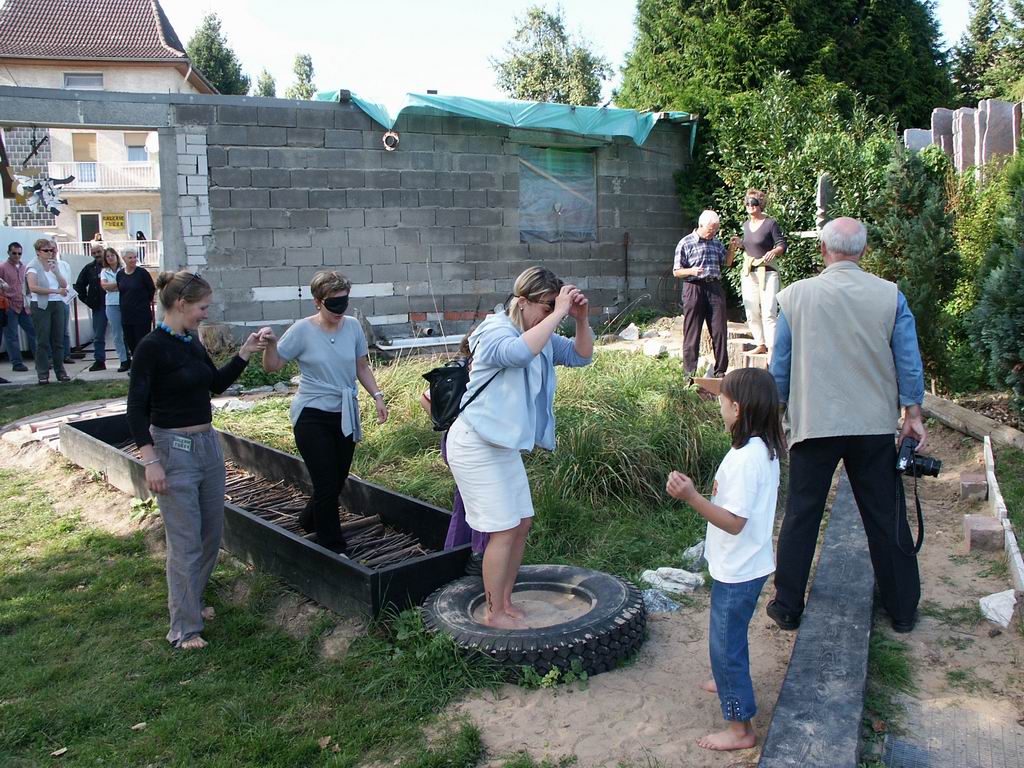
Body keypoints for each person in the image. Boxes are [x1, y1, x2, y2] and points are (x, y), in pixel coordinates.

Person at [767, 217, 927, 634]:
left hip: (813, 423)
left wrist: (774, 419)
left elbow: (779, 368)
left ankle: (787, 605)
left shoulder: (795, 297)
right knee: (885, 515)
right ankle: (903, 608)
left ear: (823, 250)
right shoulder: (889, 296)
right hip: (872, 424)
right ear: (863, 252)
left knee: (802, 514)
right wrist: (913, 414)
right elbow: (908, 360)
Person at [446, 267, 593, 629]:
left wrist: (580, 318)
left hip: (503, 446)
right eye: (546, 306)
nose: (550, 314)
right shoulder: (494, 330)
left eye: (553, 307)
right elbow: (515, 354)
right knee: (503, 529)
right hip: (475, 443)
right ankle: (495, 613)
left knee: (521, 522)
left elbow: (582, 355)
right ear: (523, 301)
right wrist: (558, 313)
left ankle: (506, 602)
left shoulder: (538, 330)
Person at [128, 270, 267, 649]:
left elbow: (215, 385)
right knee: (185, 541)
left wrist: (245, 353)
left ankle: (193, 600)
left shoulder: (190, 341)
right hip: (172, 450)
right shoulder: (151, 348)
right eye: (202, 307)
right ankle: (183, 628)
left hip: (207, 445)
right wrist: (150, 460)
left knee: (210, 533)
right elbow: (136, 408)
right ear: (181, 304)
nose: (206, 314)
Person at [666, 367, 785, 752]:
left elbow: (734, 522)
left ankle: (740, 728)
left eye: (722, 398)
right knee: (729, 637)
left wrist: (692, 498)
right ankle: (727, 677)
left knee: (724, 645)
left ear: (736, 407)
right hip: (745, 563)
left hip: (739, 567)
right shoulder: (761, 448)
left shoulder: (746, 460)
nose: (718, 403)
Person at [259, 271, 389, 553]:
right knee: (326, 481)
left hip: (344, 412)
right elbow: (273, 365)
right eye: (333, 304)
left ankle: (309, 520)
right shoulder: (302, 330)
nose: (339, 310)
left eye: (344, 302)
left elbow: (361, 366)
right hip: (312, 414)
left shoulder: (352, 327)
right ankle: (333, 546)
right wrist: (270, 345)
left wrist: (377, 396)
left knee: (338, 478)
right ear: (317, 301)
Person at [418, 334, 489, 571]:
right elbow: (426, 399)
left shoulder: (456, 367)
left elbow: (425, 398)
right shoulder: (466, 371)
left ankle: (454, 554)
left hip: (453, 442)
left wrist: (446, 422)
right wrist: (454, 423)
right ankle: (480, 554)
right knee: (480, 501)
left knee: (464, 500)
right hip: (466, 443)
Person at [673, 210, 736, 378]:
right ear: (701, 225)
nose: (713, 233)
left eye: (715, 230)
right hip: (693, 287)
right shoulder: (685, 243)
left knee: (719, 330)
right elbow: (676, 271)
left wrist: (732, 248)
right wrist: (691, 270)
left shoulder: (716, 243)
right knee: (692, 332)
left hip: (714, 287)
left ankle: (721, 371)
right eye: (711, 230)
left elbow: (727, 263)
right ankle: (689, 374)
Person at [736, 189, 786, 357]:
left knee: (769, 312)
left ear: (760, 205)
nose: (750, 206)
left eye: (754, 203)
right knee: (751, 311)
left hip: (768, 272)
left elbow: (781, 244)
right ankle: (760, 343)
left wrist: (775, 251)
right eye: (747, 203)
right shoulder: (745, 225)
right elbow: (750, 246)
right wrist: (740, 244)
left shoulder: (770, 224)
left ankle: (772, 348)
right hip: (750, 272)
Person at [25, 239, 70, 384]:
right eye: (46, 250)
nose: (50, 253)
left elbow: (64, 284)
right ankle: (43, 373)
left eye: (51, 250)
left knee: (58, 340)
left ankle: (60, 371)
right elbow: (33, 287)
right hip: (41, 305)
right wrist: (55, 290)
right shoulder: (33, 267)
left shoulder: (54, 264)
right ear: (38, 252)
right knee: (43, 340)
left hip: (57, 303)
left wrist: (56, 271)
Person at [0, 241, 36, 373]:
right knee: (12, 335)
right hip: (10, 305)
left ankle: (41, 360)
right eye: (14, 253)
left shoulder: (24, 267)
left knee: (33, 332)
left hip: (23, 305)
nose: (16, 256)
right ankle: (17, 363)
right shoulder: (2, 267)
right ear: (8, 252)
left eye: (19, 253)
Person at [117, 248, 155, 362]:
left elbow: (151, 289)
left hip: (141, 313)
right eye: (130, 258)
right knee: (130, 341)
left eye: (134, 257)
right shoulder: (120, 274)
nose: (133, 260)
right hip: (127, 315)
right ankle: (135, 364)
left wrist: (143, 302)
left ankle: (145, 365)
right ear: (124, 259)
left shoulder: (142, 273)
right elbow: (121, 291)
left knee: (142, 342)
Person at [74, 243, 108, 371]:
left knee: (121, 334)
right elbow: (79, 286)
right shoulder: (89, 268)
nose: (97, 255)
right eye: (94, 253)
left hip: (116, 305)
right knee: (98, 335)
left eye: (99, 252)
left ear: (103, 251)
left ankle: (126, 360)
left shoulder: (113, 266)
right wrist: (87, 300)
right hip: (99, 306)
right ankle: (99, 360)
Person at [99, 248, 130, 372]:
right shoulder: (104, 271)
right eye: (108, 256)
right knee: (117, 333)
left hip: (125, 302)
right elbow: (105, 286)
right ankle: (123, 360)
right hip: (112, 304)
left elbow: (126, 284)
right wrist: (118, 284)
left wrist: (116, 285)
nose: (110, 258)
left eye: (112, 255)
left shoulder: (124, 269)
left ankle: (131, 356)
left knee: (128, 332)